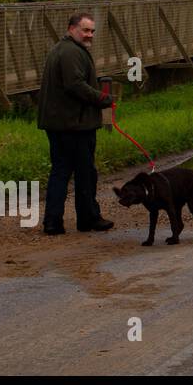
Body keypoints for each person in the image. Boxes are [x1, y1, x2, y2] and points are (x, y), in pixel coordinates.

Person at [37, 12, 115, 235]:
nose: (89, 35)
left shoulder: (61, 49)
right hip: (74, 124)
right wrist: (102, 99)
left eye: (92, 31)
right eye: (85, 30)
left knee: (60, 171)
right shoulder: (71, 52)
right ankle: (88, 218)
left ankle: (53, 222)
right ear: (72, 28)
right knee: (85, 173)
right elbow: (75, 85)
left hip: (59, 123)